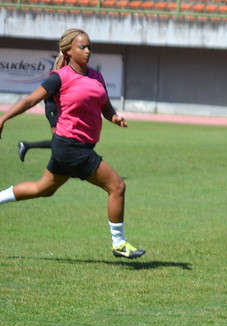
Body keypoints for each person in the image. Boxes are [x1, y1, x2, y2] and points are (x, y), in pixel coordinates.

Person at [0, 28, 145, 259]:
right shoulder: (60, 77)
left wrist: (114, 117)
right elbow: (30, 100)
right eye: (82, 47)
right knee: (117, 186)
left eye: (89, 47)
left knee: (43, 189)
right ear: (68, 50)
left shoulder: (96, 76)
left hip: (80, 146)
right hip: (70, 145)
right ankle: (119, 244)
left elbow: (105, 107)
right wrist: (3, 118)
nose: (88, 51)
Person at [17, 96, 58, 162]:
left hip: (61, 110)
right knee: (58, 143)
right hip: (54, 109)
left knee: (60, 143)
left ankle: (26, 145)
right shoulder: (53, 87)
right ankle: (26, 145)